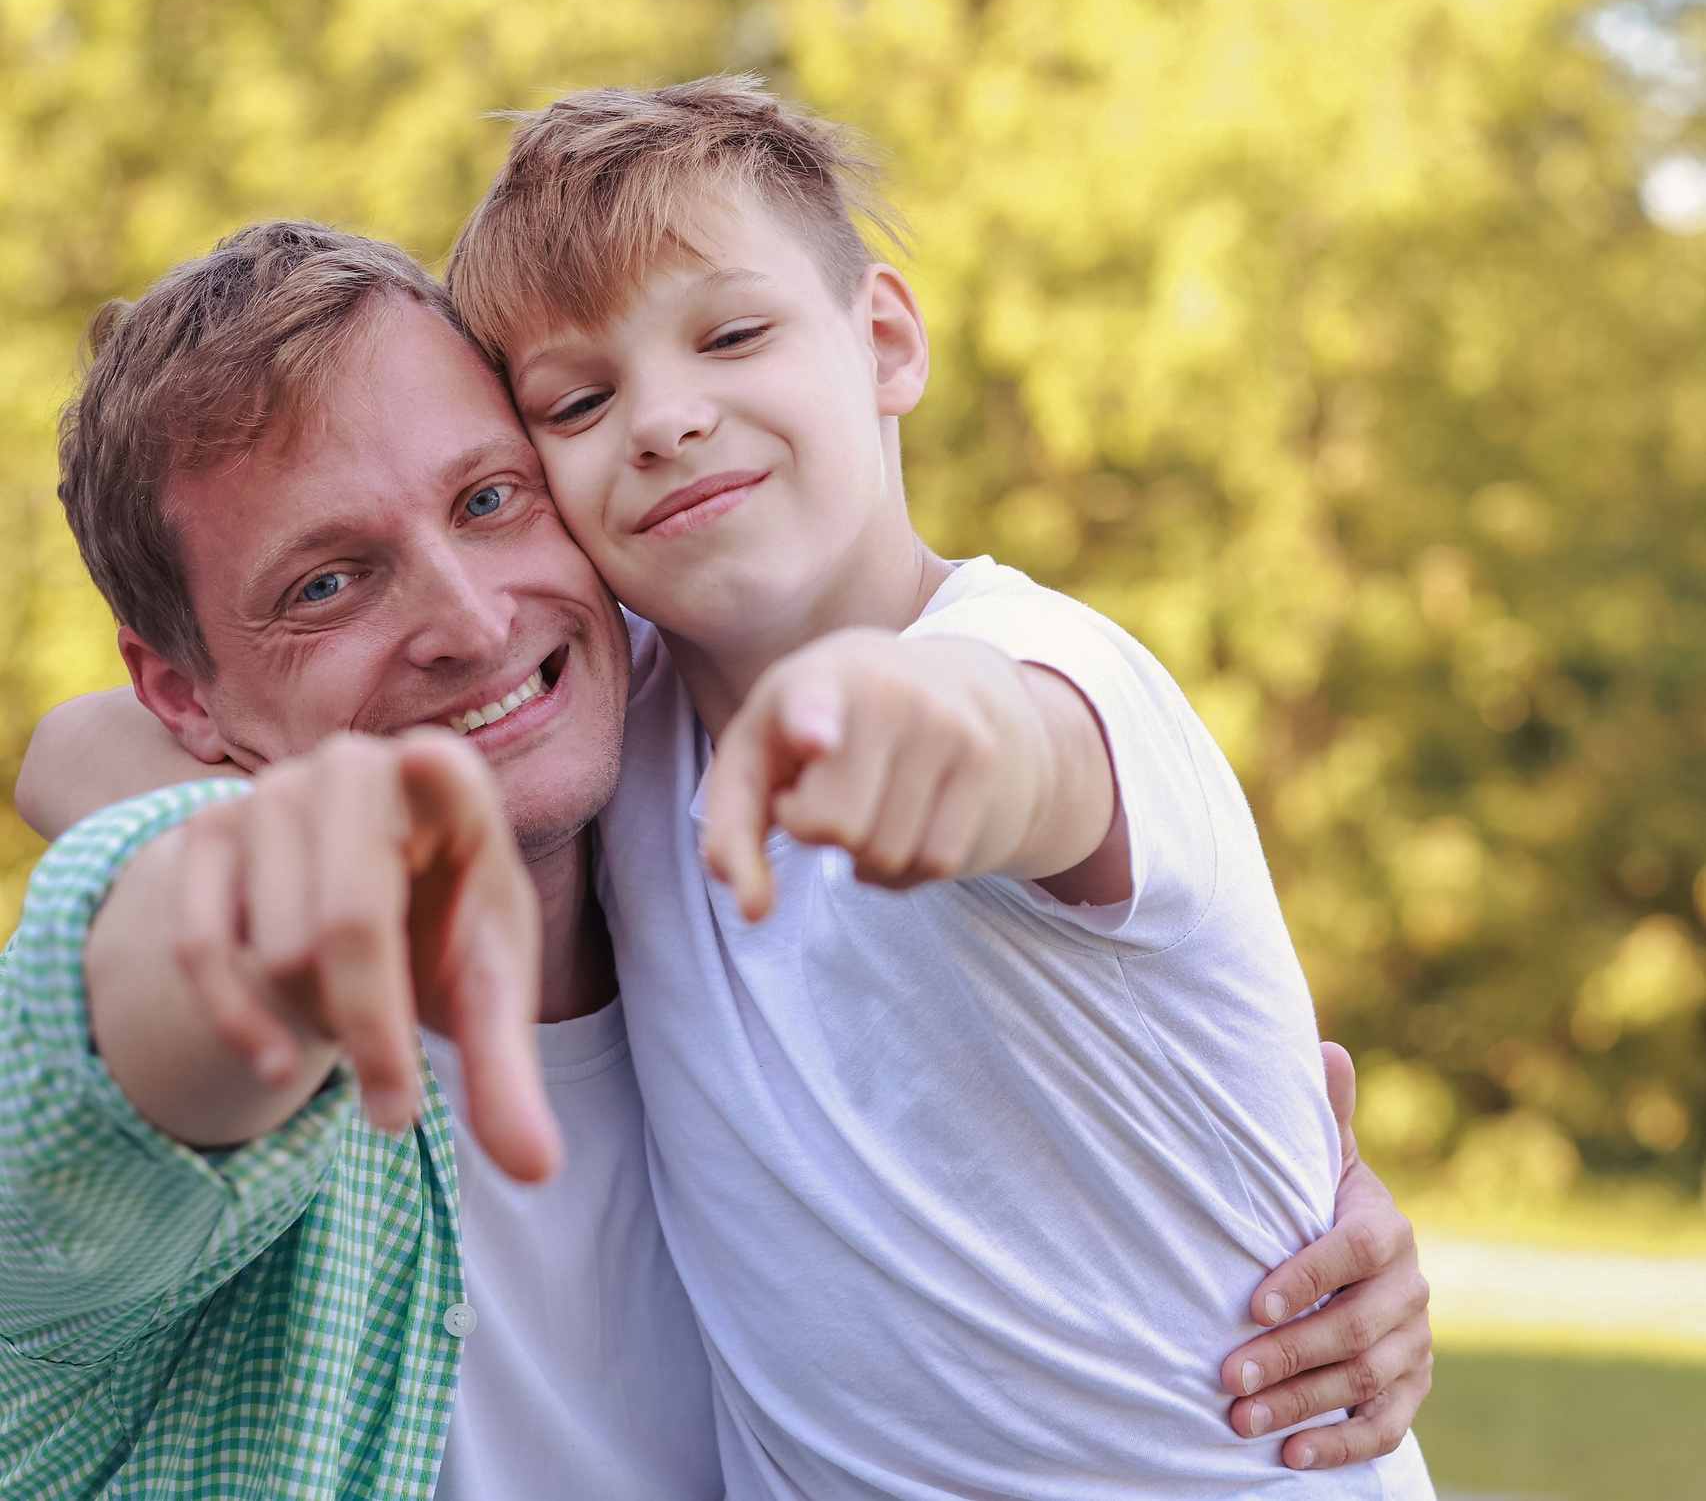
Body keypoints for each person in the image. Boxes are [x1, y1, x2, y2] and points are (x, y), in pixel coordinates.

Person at [9, 220, 1428, 1498]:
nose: (473, 622)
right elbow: (137, 1011)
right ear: (182, 697)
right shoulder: (203, 1065)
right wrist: (265, 919)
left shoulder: (703, 842)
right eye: (327, 584)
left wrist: (1239, 1212)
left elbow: (1020, 740)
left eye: (491, 500)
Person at [443, 74, 1437, 1495]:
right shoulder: (610, 727)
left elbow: (1024, 752)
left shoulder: (1046, 662)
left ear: (885, 342)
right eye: (580, 400)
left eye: (732, 334)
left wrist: (920, 727)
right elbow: (130, 738)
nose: (663, 418)